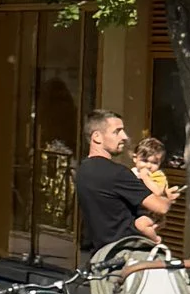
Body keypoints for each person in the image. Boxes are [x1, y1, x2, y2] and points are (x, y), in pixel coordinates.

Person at [71, 111, 172, 267]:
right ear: (96, 137)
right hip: (129, 258)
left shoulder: (83, 171)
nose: (124, 136)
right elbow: (161, 207)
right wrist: (168, 198)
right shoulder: (117, 173)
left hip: (101, 259)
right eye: (116, 131)